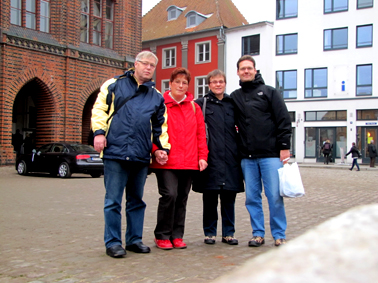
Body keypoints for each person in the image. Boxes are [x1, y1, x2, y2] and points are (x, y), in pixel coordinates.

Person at [91, 51, 171, 258]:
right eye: (145, 64)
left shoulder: (157, 96)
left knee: (136, 201)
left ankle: (134, 240)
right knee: (113, 201)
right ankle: (113, 242)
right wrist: (99, 133)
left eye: (152, 66)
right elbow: (99, 110)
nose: (148, 68)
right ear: (135, 64)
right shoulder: (114, 85)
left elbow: (160, 127)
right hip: (115, 152)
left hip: (140, 155)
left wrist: (162, 149)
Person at [230, 55, 292, 247]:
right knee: (251, 198)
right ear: (238, 72)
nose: (246, 71)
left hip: (270, 155)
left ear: (255, 71)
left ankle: (279, 234)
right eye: (242, 68)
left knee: (274, 196)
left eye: (249, 68)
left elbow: (283, 120)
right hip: (247, 158)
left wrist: (284, 147)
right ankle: (258, 233)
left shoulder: (269, 92)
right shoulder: (235, 97)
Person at [149, 67, 208, 250]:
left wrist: (202, 156)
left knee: (182, 198)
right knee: (169, 195)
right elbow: (151, 130)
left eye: (184, 83)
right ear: (170, 84)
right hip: (166, 161)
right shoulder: (160, 104)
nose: (181, 86)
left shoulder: (194, 107)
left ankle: (177, 235)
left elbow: (200, 133)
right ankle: (162, 235)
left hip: (189, 161)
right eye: (177, 82)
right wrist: (155, 150)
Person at [192, 69, 244, 245]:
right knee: (210, 198)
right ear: (209, 84)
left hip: (230, 159)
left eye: (221, 81)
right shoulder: (200, 104)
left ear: (225, 83)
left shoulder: (233, 104)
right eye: (214, 82)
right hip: (210, 159)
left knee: (229, 198)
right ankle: (210, 233)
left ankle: (228, 233)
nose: (218, 84)